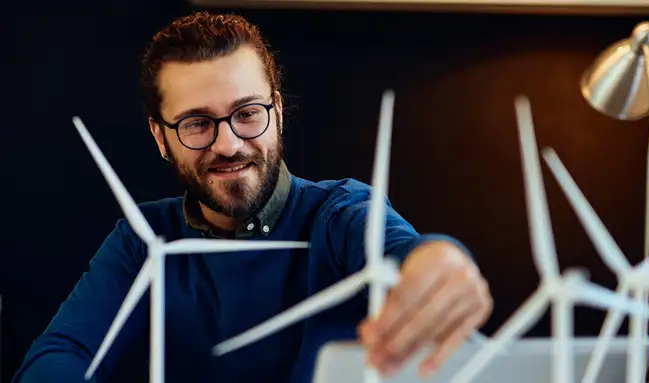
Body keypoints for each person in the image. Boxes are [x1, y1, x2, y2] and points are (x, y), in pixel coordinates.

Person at [12, 11, 492, 383]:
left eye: (247, 113)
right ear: (161, 137)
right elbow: (56, 357)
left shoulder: (340, 216)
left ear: (277, 111)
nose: (228, 144)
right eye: (197, 123)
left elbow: (407, 251)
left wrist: (442, 262)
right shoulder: (142, 241)